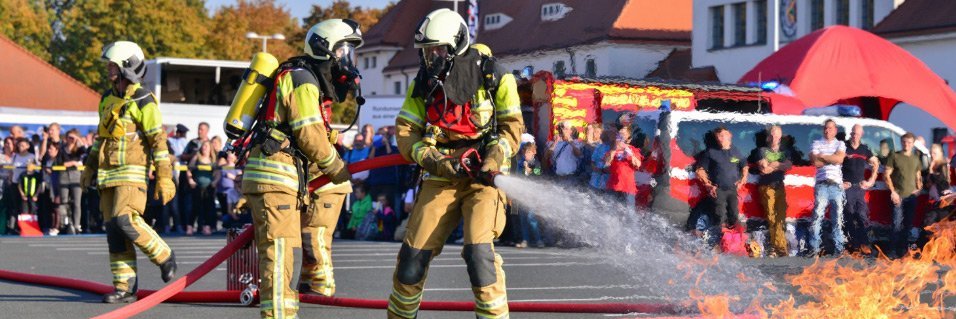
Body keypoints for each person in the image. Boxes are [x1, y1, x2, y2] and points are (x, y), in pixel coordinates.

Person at [388, 13, 523, 318]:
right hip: (441, 174)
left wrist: (493, 158)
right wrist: (433, 160)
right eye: (427, 51)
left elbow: (512, 129)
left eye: (437, 49)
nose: (431, 57)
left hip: (484, 179)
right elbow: (406, 131)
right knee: (411, 259)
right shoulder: (423, 83)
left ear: (456, 45)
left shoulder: (495, 76)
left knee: (479, 255)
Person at [240, 19, 359, 318]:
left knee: (283, 255)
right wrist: (337, 168)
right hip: (274, 177)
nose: (348, 59)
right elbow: (309, 135)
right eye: (343, 51)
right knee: (280, 257)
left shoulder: (305, 78)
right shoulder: (303, 80)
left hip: (280, 178)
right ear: (325, 49)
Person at [81, 41, 177, 303]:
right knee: (114, 230)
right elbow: (101, 139)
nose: (109, 70)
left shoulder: (143, 100)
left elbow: (158, 141)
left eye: (113, 65)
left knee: (126, 220)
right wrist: (89, 166)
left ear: (128, 67)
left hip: (132, 174)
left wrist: (164, 177)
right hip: (107, 175)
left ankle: (164, 256)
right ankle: (124, 287)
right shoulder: (106, 99)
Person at [695, 127, 748, 231]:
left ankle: (734, 238)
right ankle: (722, 236)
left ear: (730, 135)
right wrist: (708, 184)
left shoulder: (736, 151)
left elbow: (744, 166)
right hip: (718, 189)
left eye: (723, 135)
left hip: (733, 189)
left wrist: (742, 180)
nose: (721, 138)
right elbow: (700, 170)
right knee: (720, 215)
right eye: (718, 136)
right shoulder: (711, 152)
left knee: (734, 214)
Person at [808, 119, 847, 256]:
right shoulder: (816, 143)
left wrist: (822, 156)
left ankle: (839, 249)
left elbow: (839, 159)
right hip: (822, 185)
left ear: (835, 130)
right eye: (825, 128)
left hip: (836, 186)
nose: (827, 130)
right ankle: (814, 249)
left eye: (830, 128)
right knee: (817, 217)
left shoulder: (840, 143)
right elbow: (815, 162)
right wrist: (832, 158)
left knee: (838, 219)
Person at [754, 125, 792, 257]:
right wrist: (779, 165)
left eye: (776, 135)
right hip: (766, 186)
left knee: (780, 218)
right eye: (771, 135)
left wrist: (774, 164)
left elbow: (788, 166)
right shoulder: (762, 151)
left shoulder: (785, 152)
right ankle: (779, 248)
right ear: (768, 137)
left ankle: (778, 247)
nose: (774, 137)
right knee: (772, 217)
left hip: (779, 186)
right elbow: (764, 168)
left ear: (780, 137)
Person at [841, 124, 880, 254]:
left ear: (861, 135)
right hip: (847, 188)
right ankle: (854, 246)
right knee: (849, 216)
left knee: (862, 215)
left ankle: (864, 244)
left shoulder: (864, 149)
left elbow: (876, 163)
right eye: (853, 133)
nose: (855, 136)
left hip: (860, 188)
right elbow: (835, 164)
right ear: (850, 133)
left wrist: (871, 180)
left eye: (857, 134)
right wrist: (840, 182)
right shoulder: (843, 147)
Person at [884, 133, 923, 258]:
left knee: (907, 225)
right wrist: (893, 192)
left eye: (909, 142)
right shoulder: (894, 156)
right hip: (898, 196)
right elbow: (886, 175)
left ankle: (902, 252)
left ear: (913, 144)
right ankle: (891, 251)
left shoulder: (916, 158)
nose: (906, 144)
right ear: (901, 142)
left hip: (911, 198)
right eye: (904, 142)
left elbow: (918, 176)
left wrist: (919, 188)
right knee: (896, 225)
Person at [55, 129, 87, 234]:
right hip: (64, 176)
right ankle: (65, 223)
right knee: (64, 201)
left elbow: (85, 152)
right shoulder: (62, 149)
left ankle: (77, 225)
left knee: (77, 202)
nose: (71, 139)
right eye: (69, 137)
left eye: (73, 137)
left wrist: (79, 140)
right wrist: (73, 163)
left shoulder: (79, 150)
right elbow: (60, 162)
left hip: (76, 177)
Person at [605, 127, 642, 209]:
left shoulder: (632, 150)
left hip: (627, 186)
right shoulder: (612, 149)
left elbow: (638, 164)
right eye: (620, 133)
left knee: (629, 211)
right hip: (614, 184)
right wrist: (614, 150)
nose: (621, 135)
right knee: (610, 210)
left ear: (628, 138)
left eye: (623, 134)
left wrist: (630, 154)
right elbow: (607, 164)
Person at [515, 142, 544, 248]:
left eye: (528, 153)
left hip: (532, 195)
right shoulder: (520, 163)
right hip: (522, 195)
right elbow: (517, 177)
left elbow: (537, 176)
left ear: (533, 152)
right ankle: (525, 240)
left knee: (531, 217)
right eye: (524, 153)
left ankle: (539, 240)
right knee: (523, 218)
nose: (525, 155)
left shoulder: (536, 163)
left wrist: (528, 170)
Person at [187, 141, 216, 235]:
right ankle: (190, 227)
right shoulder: (197, 157)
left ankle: (206, 227)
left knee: (208, 208)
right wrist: (190, 180)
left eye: (206, 146)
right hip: (197, 186)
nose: (204, 148)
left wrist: (215, 181)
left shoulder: (213, 159)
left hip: (208, 187)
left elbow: (218, 172)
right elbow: (189, 170)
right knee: (195, 207)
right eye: (203, 146)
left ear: (210, 148)